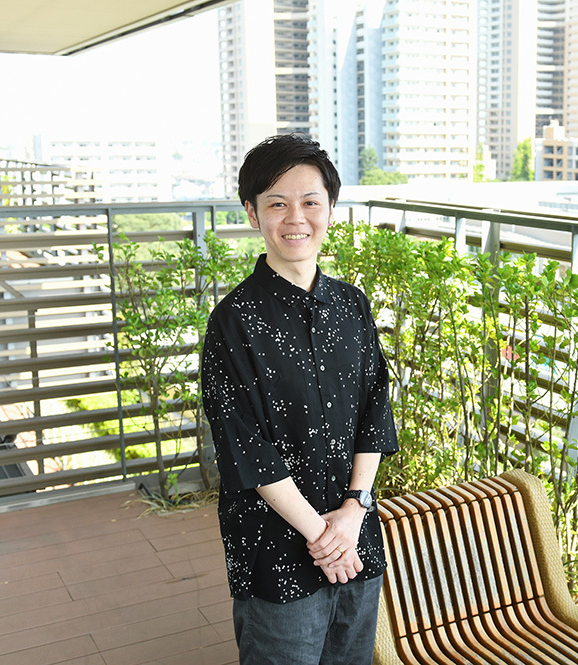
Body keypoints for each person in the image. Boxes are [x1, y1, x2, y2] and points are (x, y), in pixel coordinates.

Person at [201, 133, 398, 665]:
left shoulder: (352, 304)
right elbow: (246, 448)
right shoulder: (233, 322)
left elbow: (375, 409)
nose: (296, 218)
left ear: (330, 209)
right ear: (252, 213)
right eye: (276, 204)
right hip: (276, 548)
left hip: (356, 534)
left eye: (311, 202)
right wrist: (322, 536)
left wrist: (352, 512)